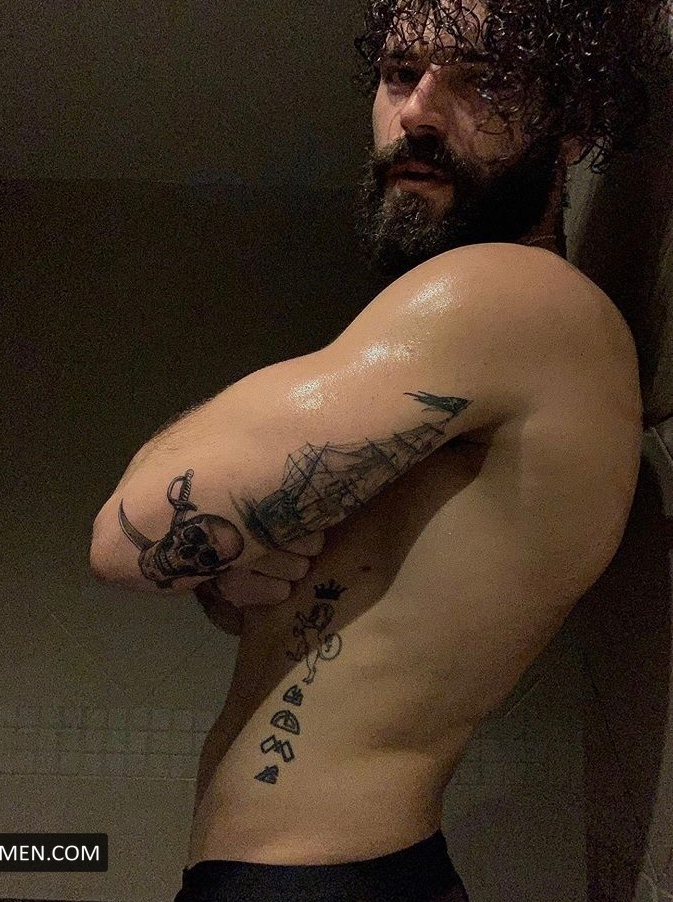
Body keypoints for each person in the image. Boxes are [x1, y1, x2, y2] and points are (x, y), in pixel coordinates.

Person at [90, 1, 670, 899]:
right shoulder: (505, 342)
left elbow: (126, 541)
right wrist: (233, 575)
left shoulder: (509, 296)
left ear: (573, 123)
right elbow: (262, 597)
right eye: (401, 75)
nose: (419, 114)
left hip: (322, 880)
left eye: (484, 81)